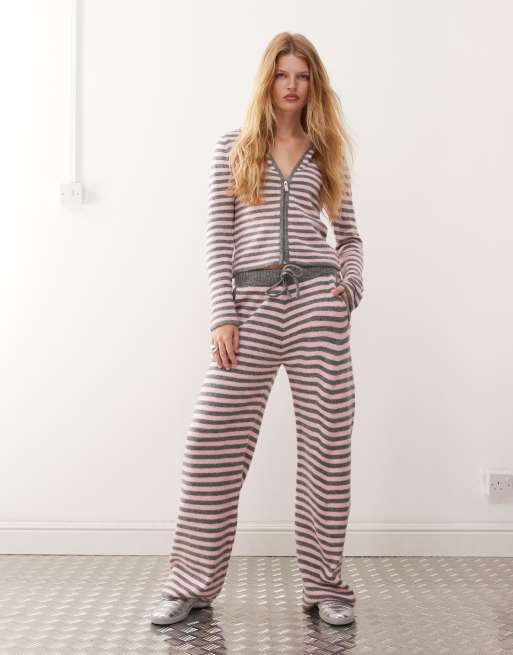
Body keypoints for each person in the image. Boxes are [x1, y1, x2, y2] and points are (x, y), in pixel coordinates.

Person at [151, 31, 364, 628]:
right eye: (282, 74)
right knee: (210, 440)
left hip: (319, 307)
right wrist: (223, 314)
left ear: (314, 84)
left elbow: (349, 237)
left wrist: (349, 287)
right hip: (252, 307)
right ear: (267, 81)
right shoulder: (234, 147)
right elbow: (218, 239)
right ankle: (191, 583)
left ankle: (326, 586)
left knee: (327, 446)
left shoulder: (328, 152)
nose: (292, 86)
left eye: (303, 76)